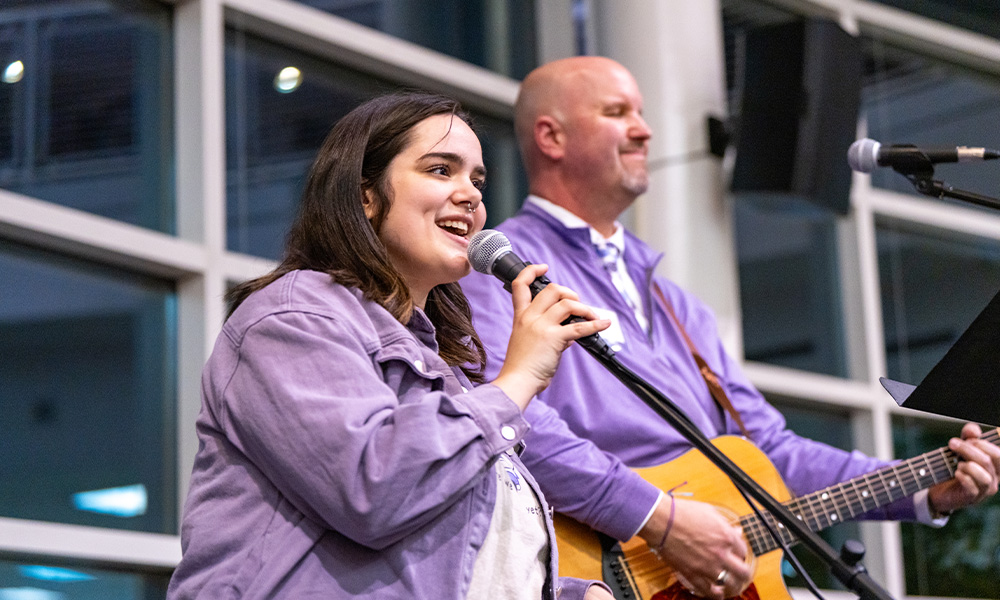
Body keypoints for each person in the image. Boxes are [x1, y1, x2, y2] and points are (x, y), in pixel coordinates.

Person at [460, 56, 1000, 600]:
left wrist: (926, 485)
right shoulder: (501, 270)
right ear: (551, 136)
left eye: (643, 113)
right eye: (618, 112)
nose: (645, 130)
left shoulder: (679, 306)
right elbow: (509, 419)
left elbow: (770, 452)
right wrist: (658, 518)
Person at [166, 91, 617, 600]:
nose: (470, 194)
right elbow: (371, 489)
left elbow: (451, 558)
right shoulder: (293, 316)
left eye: (477, 179)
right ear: (365, 196)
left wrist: (569, 594)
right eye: (441, 170)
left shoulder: (442, 366)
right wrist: (514, 385)